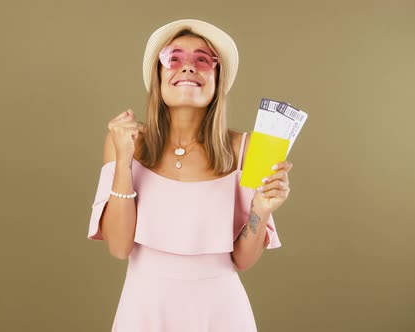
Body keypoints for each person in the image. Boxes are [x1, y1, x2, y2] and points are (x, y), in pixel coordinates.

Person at [88, 18, 293, 331]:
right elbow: (118, 247)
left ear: (217, 79)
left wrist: (260, 211)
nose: (187, 67)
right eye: (174, 58)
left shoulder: (246, 148)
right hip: (144, 311)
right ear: (158, 76)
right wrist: (124, 160)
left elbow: (243, 261)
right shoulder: (127, 142)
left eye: (202, 60)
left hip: (222, 314)